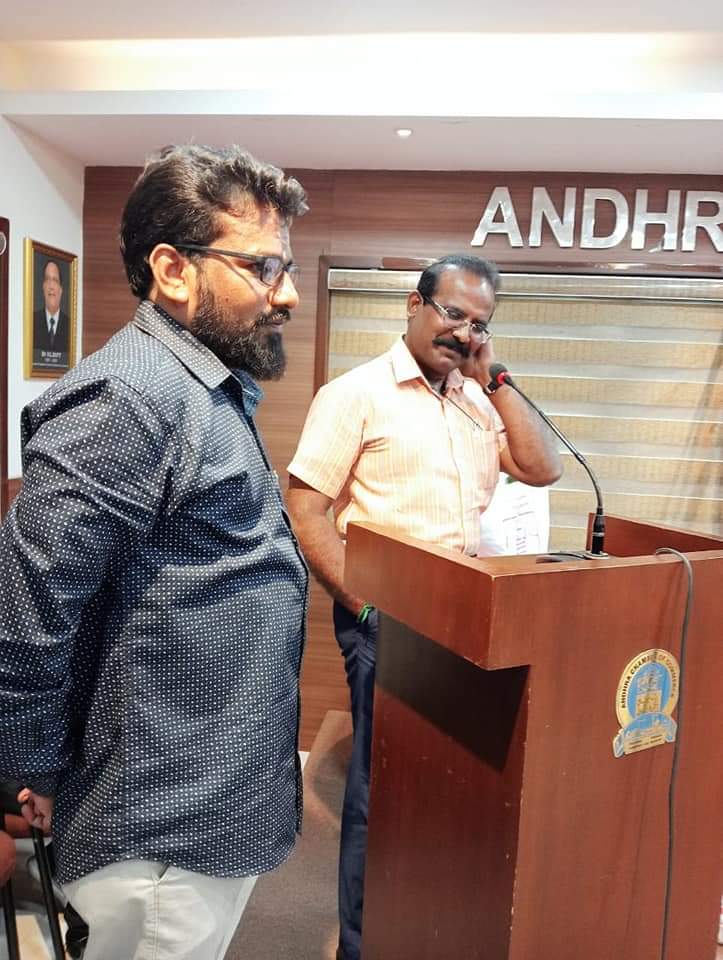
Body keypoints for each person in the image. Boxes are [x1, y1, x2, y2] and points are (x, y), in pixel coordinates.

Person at [0, 144, 309, 960]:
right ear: (172, 270)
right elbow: (28, 613)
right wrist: (24, 774)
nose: (287, 293)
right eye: (263, 267)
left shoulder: (200, 386)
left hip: (204, 801)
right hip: (160, 825)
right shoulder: (129, 397)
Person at [286, 254, 562, 960]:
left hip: (466, 621)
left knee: (449, 782)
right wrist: (362, 604)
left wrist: (493, 379)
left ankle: (427, 928)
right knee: (382, 789)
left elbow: (542, 468)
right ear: (414, 305)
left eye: (479, 323)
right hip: (387, 621)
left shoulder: (476, 401)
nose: (463, 332)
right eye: (452, 313)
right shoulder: (355, 394)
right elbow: (306, 509)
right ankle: (360, 945)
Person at [33, 259, 71, 367]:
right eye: (47, 279)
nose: (51, 287)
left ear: (61, 289)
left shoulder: (70, 326)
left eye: (55, 280)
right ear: (43, 286)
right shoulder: (32, 322)